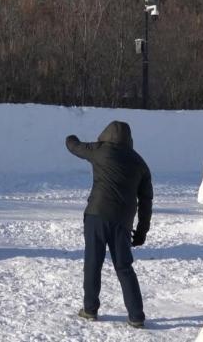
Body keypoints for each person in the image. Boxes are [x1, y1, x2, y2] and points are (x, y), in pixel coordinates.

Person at [66, 121, 153, 328]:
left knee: (93, 263)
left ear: (105, 134)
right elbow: (146, 200)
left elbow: (74, 146)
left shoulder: (99, 151)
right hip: (122, 222)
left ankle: (90, 309)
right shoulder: (140, 163)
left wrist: (70, 137)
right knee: (124, 267)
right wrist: (142, 231)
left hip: (96, 216)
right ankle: (136, 316)